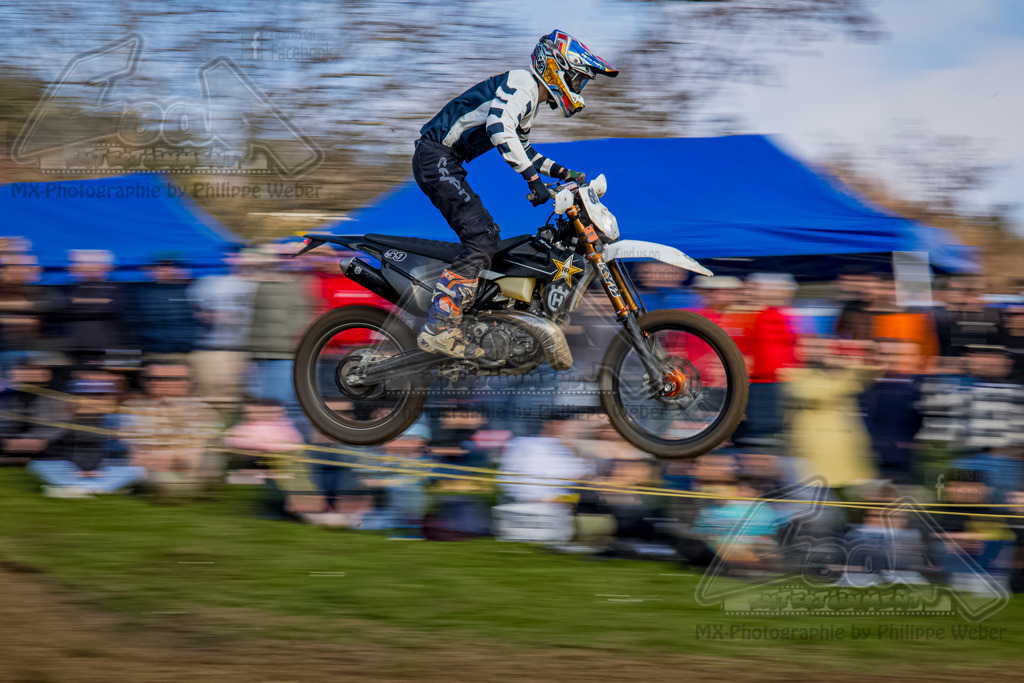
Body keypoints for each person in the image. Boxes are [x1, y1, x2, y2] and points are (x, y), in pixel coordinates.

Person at [414, 30, 618, 359]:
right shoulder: (522, 82)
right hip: (435, 157)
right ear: (558, 69)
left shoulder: (526, 99)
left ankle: (478, 314)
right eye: (578, 79)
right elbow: (499, 129)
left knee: (489, 234)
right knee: (480, 237)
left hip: (444, 161)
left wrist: (562, 173)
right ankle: (440, 326)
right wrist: (531, 179)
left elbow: (523, 149)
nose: (579, 88)